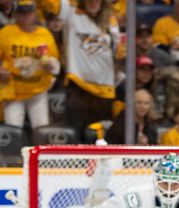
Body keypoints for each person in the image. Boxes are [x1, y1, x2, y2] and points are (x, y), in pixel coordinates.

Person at [43, 0, 122, 135]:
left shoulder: (111, 21)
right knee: (76, 135)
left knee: (101, 137)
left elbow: (117, 51)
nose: (92, 3)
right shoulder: (71, 12)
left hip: (105, 88)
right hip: (78, 85)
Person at [0, 0, 61, 129]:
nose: (26, 15)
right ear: (16, 13)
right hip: (13, 92)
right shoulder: (4, 34)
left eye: (29, 11)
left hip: (38, 91)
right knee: (13, 130)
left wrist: (51, 66)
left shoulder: (45, 34)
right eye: (22, 12)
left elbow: (56, 66)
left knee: (41, 130)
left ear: (35, 13)